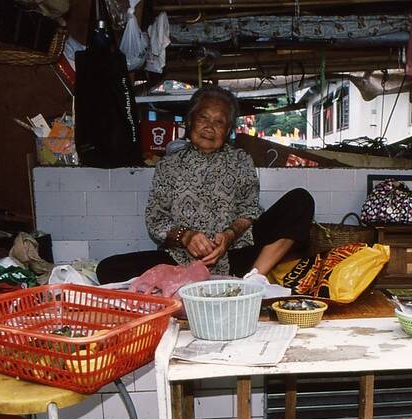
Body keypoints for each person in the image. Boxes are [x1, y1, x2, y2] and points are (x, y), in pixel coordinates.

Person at [96, 85, 315, 285]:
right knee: (108, 269)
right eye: (204, 118)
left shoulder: (241, 160)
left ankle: (253, 279)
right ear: (190, 121)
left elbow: (249, 211)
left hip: (236, 255)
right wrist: (186, 236)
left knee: (300, 201)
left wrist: (228, 236)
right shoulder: (169, 165)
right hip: (180, 260)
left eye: (219, 122)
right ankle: (186, 279)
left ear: (228, 129)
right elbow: (156, 221)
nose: (209, 127)